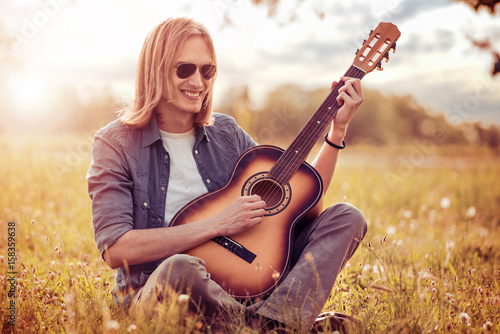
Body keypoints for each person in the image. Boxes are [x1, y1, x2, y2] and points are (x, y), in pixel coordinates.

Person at [87, 17, 367, 332]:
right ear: (154, 70)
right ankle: (279, 325)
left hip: (250, 286)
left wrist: (337, 129)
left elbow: (298, 197)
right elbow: (117, 249)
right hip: (159, 291)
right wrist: (217, 225)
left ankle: (270, 322)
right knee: (181, 268)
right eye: (185, 69)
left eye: (207, 71)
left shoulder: (226, 133)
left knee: (347, 217)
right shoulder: (115, 143)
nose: (198, 82)